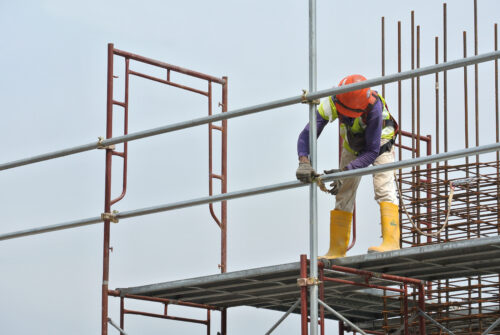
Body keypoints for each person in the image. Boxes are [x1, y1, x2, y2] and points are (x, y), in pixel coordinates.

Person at [296, 74, 399, 259]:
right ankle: (337, 249)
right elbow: (307, 134)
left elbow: (371, 151)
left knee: (383, 186)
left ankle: (391, 242)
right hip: (352, 142)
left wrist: (346, 172)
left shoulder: (374, 107)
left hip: (380, 143)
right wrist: (304, 161)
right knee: (344, 192)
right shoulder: (334, 100)